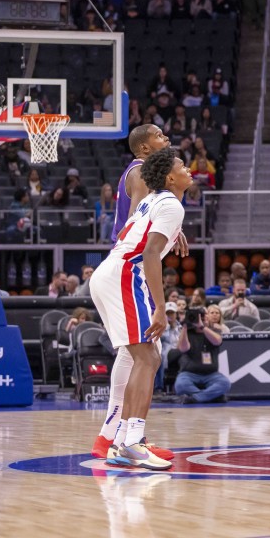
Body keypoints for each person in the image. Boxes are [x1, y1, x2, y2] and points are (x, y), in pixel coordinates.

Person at [89, 148, 190, 471]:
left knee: (143, 357)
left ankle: (122, 442)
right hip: (125, 276)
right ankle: (131, 442)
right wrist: (161, 307)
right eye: (182, 166)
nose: (189, 169)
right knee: (148, 357)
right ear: (170, 177)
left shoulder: (154, 201)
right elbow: (148, 254)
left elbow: (124, 233)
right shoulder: (171, 204)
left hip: (110, 272)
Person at [173, 306, 231, 403]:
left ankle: (195, 398)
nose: (201, 319)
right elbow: (183, 348)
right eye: (200, 317)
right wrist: (185, 326)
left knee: (225, 383)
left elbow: (217, 341)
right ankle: (212, 397)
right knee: (180, 385)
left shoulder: (214, 330)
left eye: (204, 316)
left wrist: (202, 327)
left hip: (211, 374)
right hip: (189, 373)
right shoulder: (188, 333)